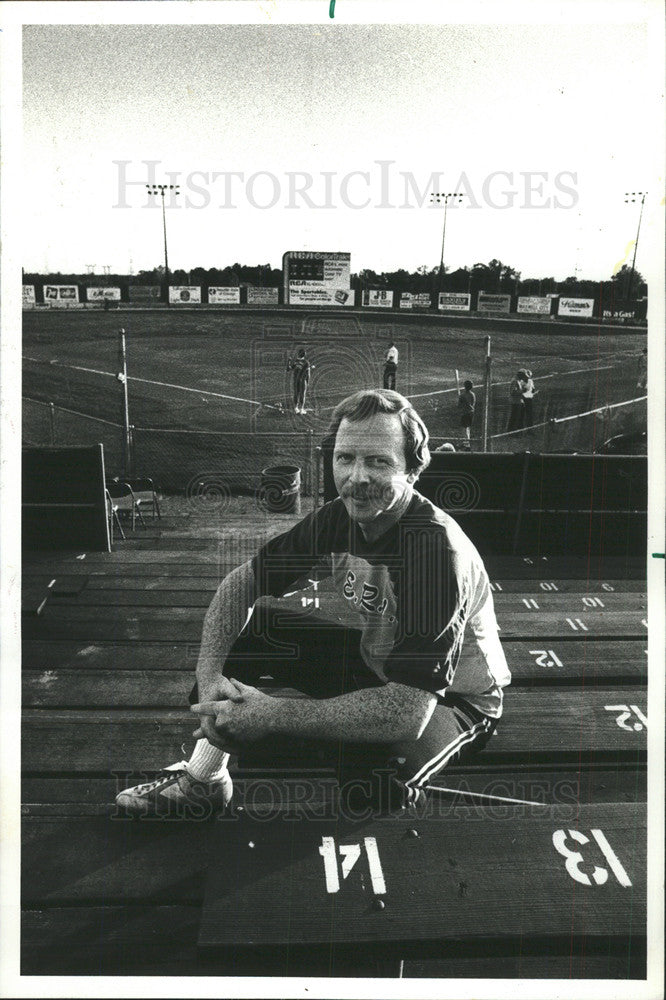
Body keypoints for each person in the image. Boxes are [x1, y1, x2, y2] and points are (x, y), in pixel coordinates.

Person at [116, 389, 510, 818]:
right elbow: (240, 585)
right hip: (378, 667)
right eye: (345, 458)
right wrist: (210, 678)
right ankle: (205, 779)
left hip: (455, 699)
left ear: (413, 471)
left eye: (379, 461)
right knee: (249, 636)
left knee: (373, 788)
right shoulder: (339, 517)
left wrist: (270, 715)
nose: (357, 477)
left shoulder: (434, 552)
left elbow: (406, 712)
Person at [288, 348, 313, 414]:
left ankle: (296, 408)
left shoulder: (296, 361)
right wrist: (307, 382)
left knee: (296, 394)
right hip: (302, 381)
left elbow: (289, 369)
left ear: (298, 354)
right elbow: (308, 374)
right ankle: (301, 409)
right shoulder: (306, 363)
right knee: (302, 394)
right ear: (304, 355)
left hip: (296, 380)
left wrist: (289, 362)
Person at [458, 379, 476, 449]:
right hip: (471, 413)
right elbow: (473, 403)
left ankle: (466, 444)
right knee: (468, 428)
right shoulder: (473, 394)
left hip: (465, 413)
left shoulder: (462, 395)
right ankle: (467, 442)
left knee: (464, 429)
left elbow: (459, 405)